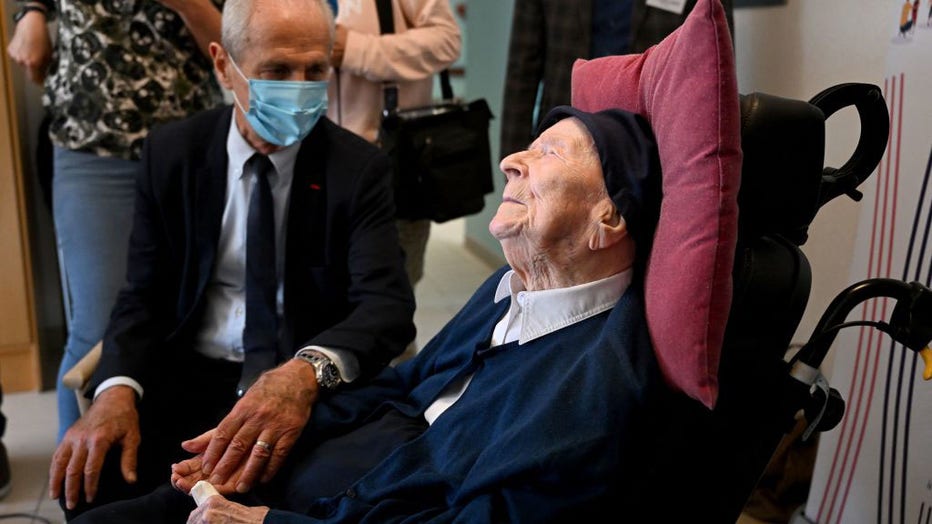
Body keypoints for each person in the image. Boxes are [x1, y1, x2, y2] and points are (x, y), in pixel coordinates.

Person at [68, 104, 667, 523]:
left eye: (548, 154)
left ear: (608, 219)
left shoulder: (591, 395)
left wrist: (267, 520)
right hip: (295, 459)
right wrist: (272, 439)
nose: (510, 160)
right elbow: (407, 386)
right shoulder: (507, 289)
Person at [47, 0, 416, 519]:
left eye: (315, 69)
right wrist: (115, 390)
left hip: (299, 386)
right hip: (193, 377)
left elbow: (387, 307)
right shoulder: (174, 153)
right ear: (224, 65)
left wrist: (303, 374)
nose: (300, 86)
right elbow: (142, 294)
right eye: (277, 71)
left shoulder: (358, 168)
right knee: (93, 478)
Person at [6, 0, 227, 444]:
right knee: (95, 330)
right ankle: (78, 487)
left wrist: (191, 6)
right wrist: (30, 13)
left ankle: (183, 475)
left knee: (192, 319)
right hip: (90, 149)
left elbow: (237, 49)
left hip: (187, 148)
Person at [328, 0, 461, 290]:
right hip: (310, 168)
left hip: (392, 169)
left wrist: (356, 50)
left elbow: (447, 41)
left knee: (392, 294)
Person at [499, 0, 734, 162]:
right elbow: (523, 64)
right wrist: (514, 156)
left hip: (652, 146)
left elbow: (713, 70)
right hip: (563, 138)